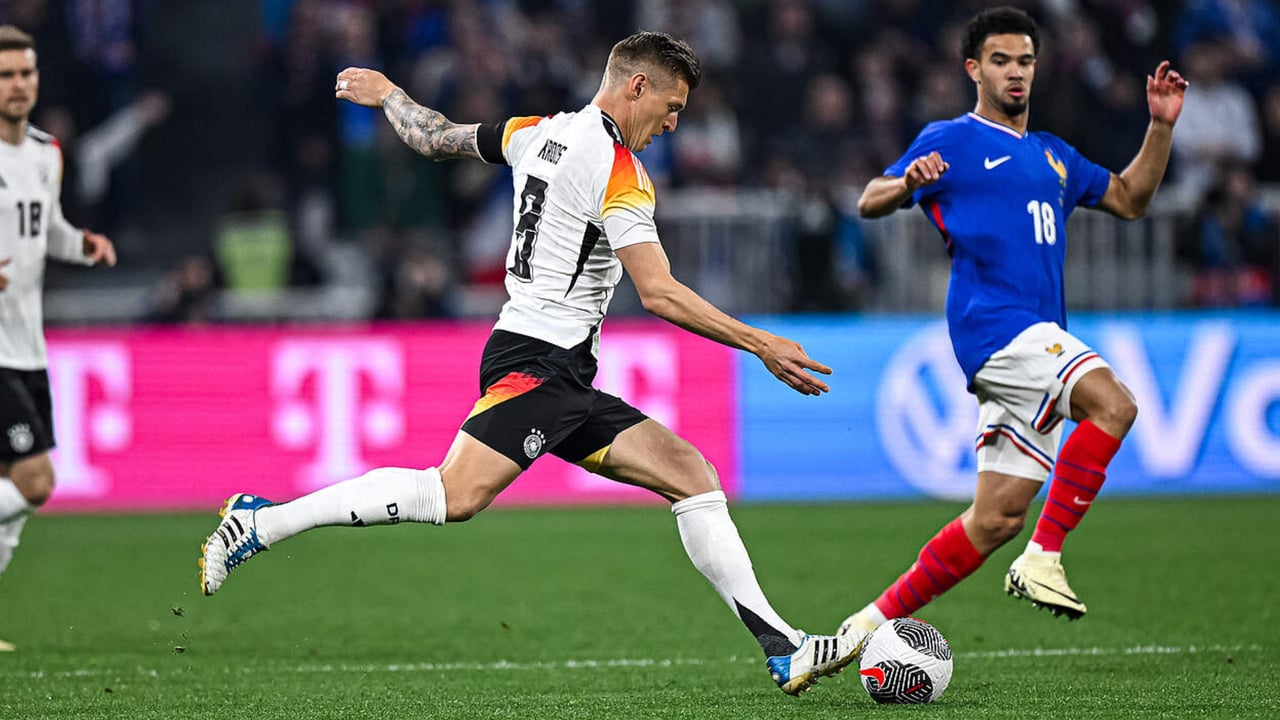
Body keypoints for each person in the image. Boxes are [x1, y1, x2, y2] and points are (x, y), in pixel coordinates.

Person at [199, 31, 863, 695]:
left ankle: (784, 647)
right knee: (453, 495)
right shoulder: (619, 169)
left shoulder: (536, 131)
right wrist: (761, 342)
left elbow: (435, 137)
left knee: (692, 475)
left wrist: (392, 96)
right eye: (671, 106)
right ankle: (262, 521)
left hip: (554, 367)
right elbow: (658, 292)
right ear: (637, 86)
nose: (672, 124)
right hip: (539, 366)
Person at [838, 7, 1187, 637]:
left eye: (1025, 60)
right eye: (1000, 61)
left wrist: (1160, 127)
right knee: (1115, 404)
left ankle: (860, 628)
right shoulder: (953, 138)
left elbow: (1130, 198)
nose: (1015, 72)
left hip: (1034, 341)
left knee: (996, 518)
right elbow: (868, 200)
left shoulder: (1054, 156)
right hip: (997, 327)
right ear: (974, 69)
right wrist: (908, 181)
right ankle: (1043, 558)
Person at [0, 25, 118, 652]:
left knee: (15, 505)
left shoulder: (46, 152)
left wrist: (83, 245)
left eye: (26, 73)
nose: (18, 85)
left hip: (28, 344)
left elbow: (46, 231)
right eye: (5, 75)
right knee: (35, 483)